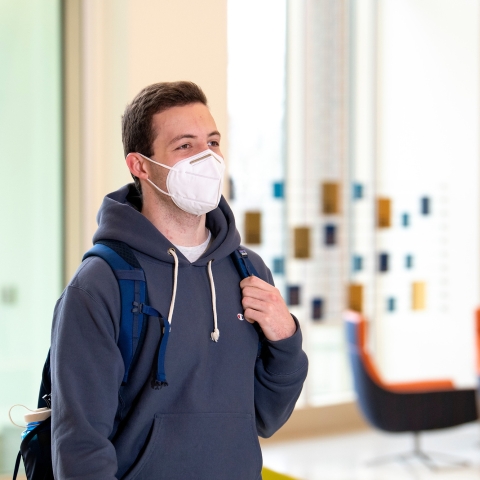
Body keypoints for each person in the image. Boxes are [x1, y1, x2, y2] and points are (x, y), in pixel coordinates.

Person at [51, 81, 308, 479]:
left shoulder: (249, 272)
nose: (207, 158)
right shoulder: (99, 285)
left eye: (213, 142)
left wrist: (286, 339)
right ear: (140, 165)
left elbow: (267, 417)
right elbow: (80, 443)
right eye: (185, 146)